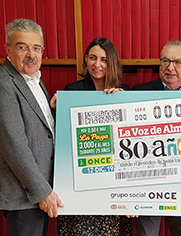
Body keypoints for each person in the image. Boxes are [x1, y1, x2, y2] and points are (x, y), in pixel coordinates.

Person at [0, 18, 63, 236]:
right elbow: (15, 147)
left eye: (36, 48)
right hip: (25, 195)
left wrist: (51, 110)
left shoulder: (33, 79)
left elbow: (40, 130)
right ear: (7, 49)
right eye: (22, 47)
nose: (31, 54)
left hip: (37, 192)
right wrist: (42, 192)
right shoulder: (1, 86)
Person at [132, 39, 181, 236]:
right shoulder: (138, 93)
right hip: (148, 181)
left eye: (178, 62)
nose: (170, 68)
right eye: (165, 61)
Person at [58, 37, 132, 236]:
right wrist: (57, 109)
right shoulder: (72, 91)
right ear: (86, 59)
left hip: (114, 181)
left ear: (112, 62)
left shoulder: (125, 91)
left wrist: (121, 103)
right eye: (92, 58)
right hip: (82, 177)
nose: (97, 64)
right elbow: (64, 137)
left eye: (104, 59)